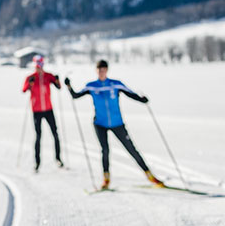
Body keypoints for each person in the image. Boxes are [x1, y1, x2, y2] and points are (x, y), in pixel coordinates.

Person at [65, 59, 162, 190]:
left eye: (103, 70)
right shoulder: (92, 86)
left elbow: (130, 93)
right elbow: (76, 96)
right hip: (100, 124)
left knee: (131, 149)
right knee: (105, 150)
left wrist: (142, 100)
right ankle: (106, 178)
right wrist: (69, 86)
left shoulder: (115, 84)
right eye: (99, 70)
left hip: (117, 123)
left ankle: (149, 175)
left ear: (107, 70)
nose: (101, 72)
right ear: (96, 70)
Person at [22, 55, 63, 171]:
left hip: (48, 109)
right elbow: (24, 90)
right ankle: (37, 162)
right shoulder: (31, 77)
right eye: (37, 66)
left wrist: (57, 79)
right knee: (38, 136)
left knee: (55, 133)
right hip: (37, 110)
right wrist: (30, 84)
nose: (39, 68)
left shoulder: (47, 76)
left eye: (41, 66)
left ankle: (58, 158)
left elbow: (58, 86)